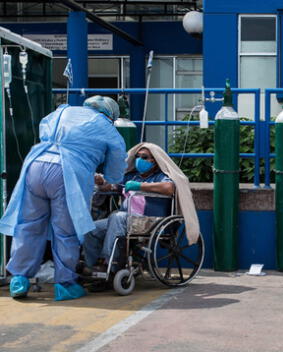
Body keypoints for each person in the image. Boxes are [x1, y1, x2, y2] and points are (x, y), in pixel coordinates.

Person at [0, 96, 127, 301]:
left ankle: (19, 279)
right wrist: (110, 179)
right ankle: (65, 284)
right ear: (110, 115)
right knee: (66, 229)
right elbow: (116, 165)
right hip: (66, 173)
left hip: (35, 165)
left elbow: (45, 130)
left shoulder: (64, 111)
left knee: (28, 226)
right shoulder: (106, 126)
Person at [83, 142, 201, 276]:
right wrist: (101, 182)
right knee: (91, 229)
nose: (140, 160)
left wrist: (140, 186)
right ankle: (91, 267)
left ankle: (106, 263)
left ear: (154, 161)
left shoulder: (161, 176)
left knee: (117, 216)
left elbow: (169, 188)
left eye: (144, 157)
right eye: (138, 157)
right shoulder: (131, 176)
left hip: (150, 220)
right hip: (127, 219)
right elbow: (112, 186)